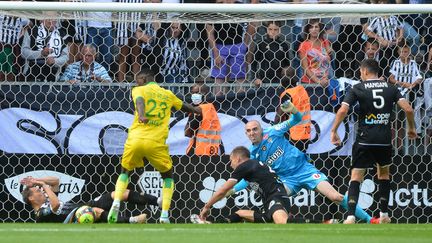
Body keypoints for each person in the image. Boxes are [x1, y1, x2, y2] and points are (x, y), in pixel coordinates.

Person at [236, 99, 377, 224]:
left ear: (261, 129)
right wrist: (230, 190)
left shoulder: (273, 131)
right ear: (245, 134)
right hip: (286, 180)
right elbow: (248, 178)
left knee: (336, 196)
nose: (252, 133)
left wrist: (293, 110)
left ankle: (369, 219)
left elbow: (296, 119)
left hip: (304, 170)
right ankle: (287, 220)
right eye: (248, 131)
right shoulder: (253, 153)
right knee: (272, 197)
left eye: (255, 129)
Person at [107, 69, 201, 224]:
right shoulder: (168, 94)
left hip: (135, 139)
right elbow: (186, 107)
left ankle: (116, 202)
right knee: (168, 177)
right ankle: (164, 214)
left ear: (143, 79)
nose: (136, 83)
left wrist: (142, 115)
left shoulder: (139, 89)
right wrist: (199, 109)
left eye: (137, 79)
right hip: (156, 143)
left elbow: (139, 102)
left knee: (125, 172)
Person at [330, 58, 417, 224]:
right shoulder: (391, 88)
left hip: (364, 140)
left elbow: (343, 110)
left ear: (364, 71)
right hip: (384, 141)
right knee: (384, 175)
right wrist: (411, 128)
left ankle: (350, 216)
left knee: (356, 177)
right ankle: (384, 214)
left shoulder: (358, 88)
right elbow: (408, 109)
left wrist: (334, 130)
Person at [197, 146, 290, 224]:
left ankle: (304, 222)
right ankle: (215, 224)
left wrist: (207, 206)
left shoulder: (245, 166)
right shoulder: (253, 165)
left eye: (231, 160)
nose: (230, 164)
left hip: (276, 197)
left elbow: (222, 190)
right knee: (240, 213)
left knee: (282, 222)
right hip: (272, 199)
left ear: (238, 159)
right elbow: (230, 189)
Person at [20, 176, 157, 223]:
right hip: (75, 218)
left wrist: (37, 181)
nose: (42, 191)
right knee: (92, 211)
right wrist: (44, 186)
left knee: (119, 193)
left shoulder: (48, 200)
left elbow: (55, 181)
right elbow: (55, 206)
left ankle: (157, 202)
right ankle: (133, 221)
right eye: (38, 191)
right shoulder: (39, 215)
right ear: (31, 198)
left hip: (81, 206)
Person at [21, 16, 70, 82]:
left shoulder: (62, 35)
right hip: (31, 75)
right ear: (41, 19)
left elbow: (65, 57)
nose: (50, 21)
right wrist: (41, 53)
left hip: (53, 77)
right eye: (47, 18)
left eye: (52, 18)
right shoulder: (32, 31)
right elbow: (23, 53)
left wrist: (55, 61)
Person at [274, 67, 311, 153]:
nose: (284, 77)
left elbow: (279, 117)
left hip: (293, 135)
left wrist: (273, 131)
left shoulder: (288, 94)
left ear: (293, 76)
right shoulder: (302, 90)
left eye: (287, 75)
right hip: (305, 134)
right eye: (282, 75)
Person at [185, 83, 222, 156]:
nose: (193, 95)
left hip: (199, 151)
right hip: (214, 150)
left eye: (196, 92)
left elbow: (187, 132)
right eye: (192, 93)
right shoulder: (211, 109)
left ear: (204, 93)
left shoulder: (197, 110)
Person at [252, 21, 290, 85]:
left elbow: (287, 65)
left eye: (275, 29)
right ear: (267, 30)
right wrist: (256, 78)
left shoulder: (284, 45)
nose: (272, 32)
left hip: (280, 82)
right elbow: (253, 64)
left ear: (279, 30)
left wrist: (286, 79)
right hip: (264, 82)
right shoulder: (261, 44)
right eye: (270, 29)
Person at [298, 18, 333, 87]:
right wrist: (318, 81)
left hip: (325, 81)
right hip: (310, 83)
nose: (314, 29)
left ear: (320, 29)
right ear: (308, 30)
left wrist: (330, 52)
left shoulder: (325, 42)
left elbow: (328, 62)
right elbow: (305, 68)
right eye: (311, 27)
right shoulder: (303, 45)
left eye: (316, 27)